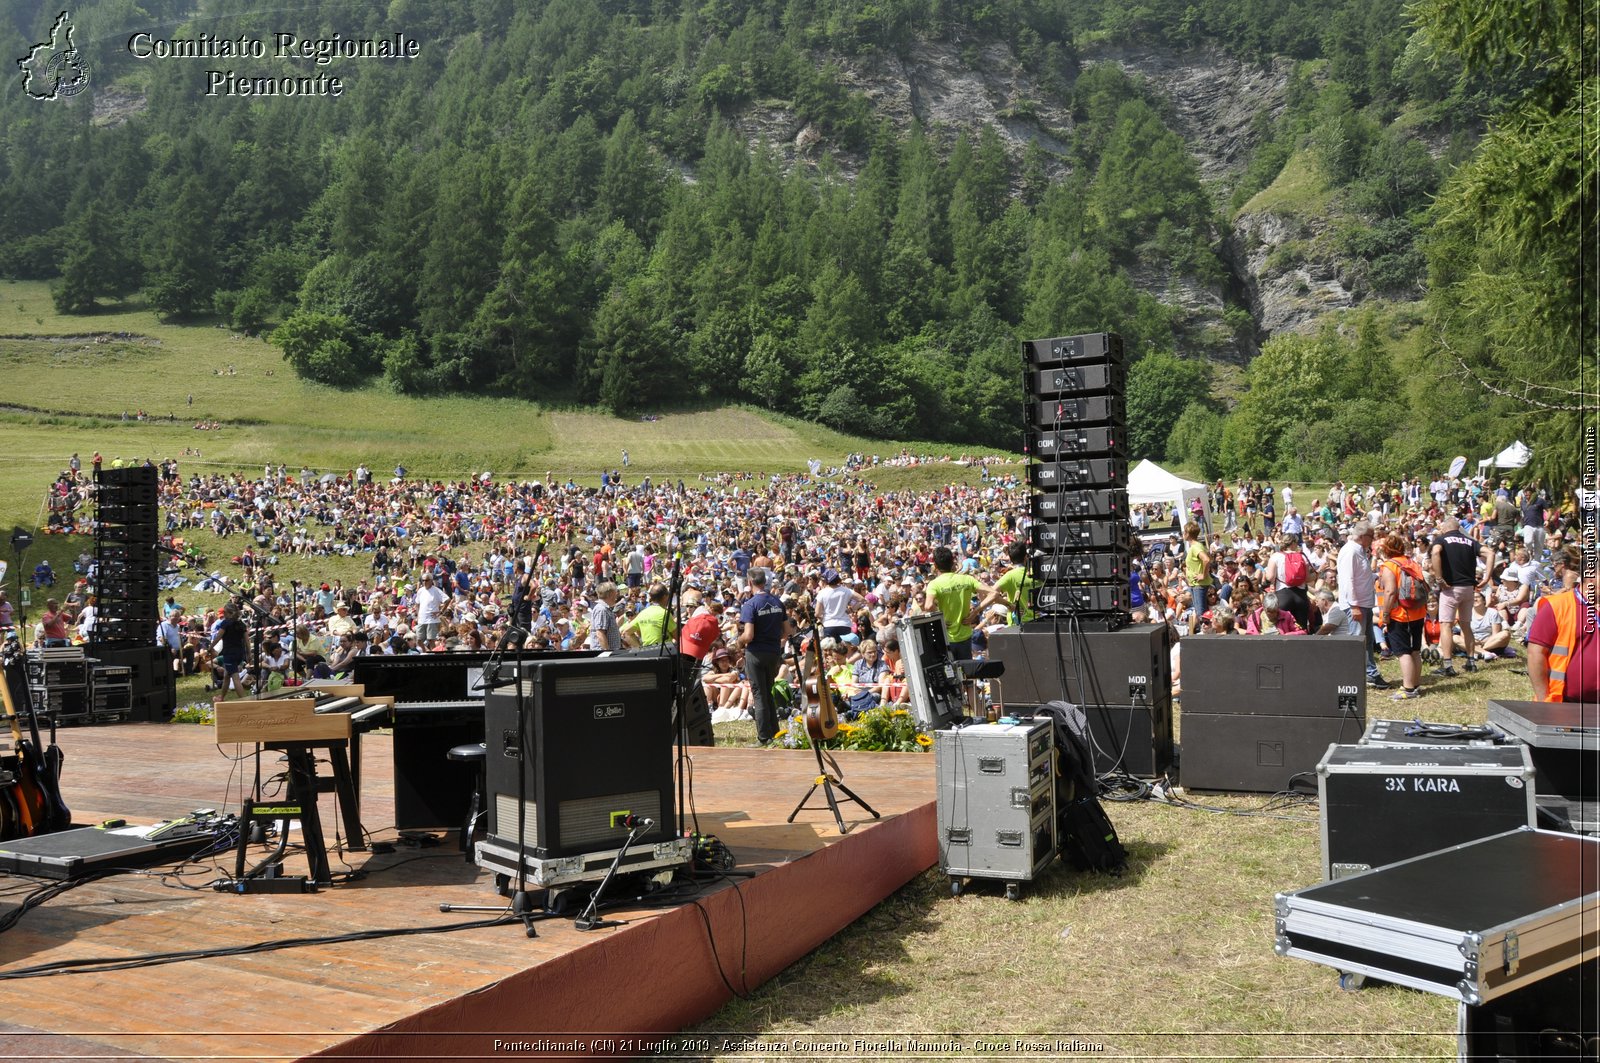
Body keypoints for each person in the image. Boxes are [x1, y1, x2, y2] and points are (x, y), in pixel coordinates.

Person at [1527, 545, 1599, 702]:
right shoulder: (1556, 606)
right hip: (1566, 703)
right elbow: (1535, 654)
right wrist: (1543, 699)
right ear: (1591, 576)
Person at [1430, 516, 1492, 677]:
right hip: (1468, 589)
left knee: (1446, 625)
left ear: (1445, 528)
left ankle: (1448, 665)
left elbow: (1435, 553)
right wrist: (1487, 576)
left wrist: (1438, 578)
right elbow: (1490, 553)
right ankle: (1471, 661)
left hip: (1450, 588)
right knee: (1466, 625)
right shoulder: (1470, 541)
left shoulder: (1442, 539)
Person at [738, 567, 792, 745]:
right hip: (773, 652)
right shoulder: (777, 602)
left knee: (759, 694)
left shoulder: (750, 604)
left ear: (750, 582)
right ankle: (775, 733)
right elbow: (786, 632)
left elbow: (749, 635)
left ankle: (763, 737)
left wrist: (738, 642)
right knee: (768, 692)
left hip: (756, 652)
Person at [1336, 521, 1388, 689]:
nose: (1373, 540)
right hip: (1356, 605)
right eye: (1371, 537)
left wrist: (1374, 576)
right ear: (1363, 536)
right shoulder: (1350, 552)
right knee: (1357, 642)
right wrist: (1354, 605)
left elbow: (1359, 576)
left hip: (1363, 603)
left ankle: (1370, 673)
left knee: (1366, 641)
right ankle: (1352, 677)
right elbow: (1347, 580)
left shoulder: (1358, 551)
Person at [1376, 534, 1427, 701]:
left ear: (1385, 550)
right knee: (1415, 650)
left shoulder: (1389, 565)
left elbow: (1390, 592)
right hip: (1417, 611)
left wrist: (1385, 614)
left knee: (1402, 652)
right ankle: (1415, 684)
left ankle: (1408, 688)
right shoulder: (1412, 562)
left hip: (1400, 614)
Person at [921, 546, 993, 660]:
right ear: (952, 563)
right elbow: (993, 593)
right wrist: (975, 612)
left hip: (946, 638)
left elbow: (928, 606)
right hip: (966, 637)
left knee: (950, 674)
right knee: (967, 673)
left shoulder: (934, 584)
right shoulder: (967, 579)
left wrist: (941, 620)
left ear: (935, 566)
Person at [981, 540, 1035, 625]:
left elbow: (989, 594)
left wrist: (1008, 605)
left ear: (1010, 558)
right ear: (1026, 557)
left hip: (1017, 625)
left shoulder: (1009, 576)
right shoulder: (1038, 573)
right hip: (1040, 622)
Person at [210, 604, 249, 700]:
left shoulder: (225, 623)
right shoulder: (241, 624)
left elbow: (218, 637)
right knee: (227, 675)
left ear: (228, 613)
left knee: (235, 678)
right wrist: (249, 654)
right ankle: (222, 697)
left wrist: (210, 647)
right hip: (239, 653)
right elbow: (247, 640)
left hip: (229, 654)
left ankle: (244, 701)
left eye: (224, 612)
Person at [815, 569, 865, 641]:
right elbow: (862, 599)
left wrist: (823, 619)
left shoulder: (822, 592)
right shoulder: (846, 590)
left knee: (831, 650)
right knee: (845, 650)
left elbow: (817, 613)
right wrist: (852, 609)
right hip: (844, 625)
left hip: (829, 625)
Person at [621, 582, 677, 647]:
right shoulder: (665, 613)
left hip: (647, 654)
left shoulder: (643, 613)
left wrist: (638, 649)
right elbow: (677, 637)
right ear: (665, 597)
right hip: (664, 653)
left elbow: (625, 632)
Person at [1182, 522, 1213, 614]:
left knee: (1201, 612)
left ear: (1188, 533)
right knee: (1198, 611)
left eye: (1184, 532)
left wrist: (1203, 575)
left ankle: (1205, 628)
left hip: (1199, 584)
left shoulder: (1195, 547)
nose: (1183, 534)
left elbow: (1206, 560)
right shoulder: (1195, 546)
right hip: (1194, 584)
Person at [412, 575, 449, 645]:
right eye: (423, 580)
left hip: (432, 620)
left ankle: (432, 654)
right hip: (422, 620)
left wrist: (441, 612)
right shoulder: (420, 590)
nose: (424, 582)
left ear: (431, 581)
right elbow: (417, 603)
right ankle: (426, 653)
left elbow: (447, 600)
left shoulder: (436, 590)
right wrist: (418, 615)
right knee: (419, 640)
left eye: (426, 580)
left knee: (432, 640)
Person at [587, 582, 622, 651]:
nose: (617, 595)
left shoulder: (606, 609)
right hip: (603, 654)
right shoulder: (602, 609)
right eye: (615, 593)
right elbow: (600, 633)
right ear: (610, 594)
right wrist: (607, 652)